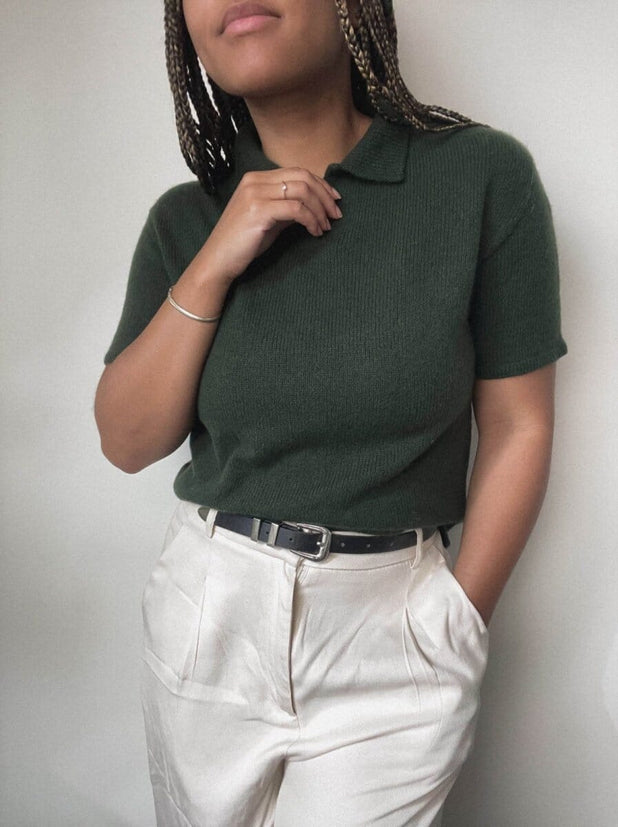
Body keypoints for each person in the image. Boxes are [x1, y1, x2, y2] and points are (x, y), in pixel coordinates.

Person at [94, 0, 568, 824]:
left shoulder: (480, 177)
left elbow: (519, 423)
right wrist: (214, 262)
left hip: (394, 637)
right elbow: (127, 440)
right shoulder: (185, 219)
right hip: (212, 614)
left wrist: (458, 620)